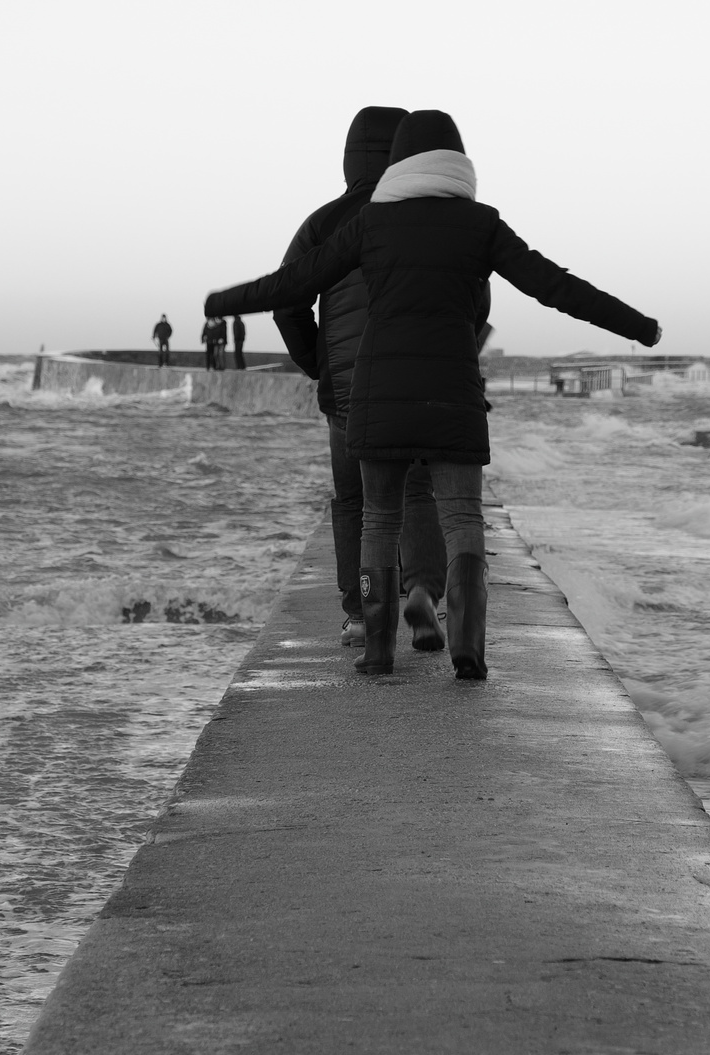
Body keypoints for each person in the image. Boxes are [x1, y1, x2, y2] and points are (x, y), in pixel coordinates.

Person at [208, 110, 659, 679]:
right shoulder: (480, 224)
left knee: (374, 515)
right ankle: (465, 640)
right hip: (451, 394)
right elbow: (554, 287)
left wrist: (224, 304)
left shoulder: (368, 224)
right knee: (461, 516)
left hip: (375, 391)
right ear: (458, 162)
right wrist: (638, 326)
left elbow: (292, 286)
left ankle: (376, 646)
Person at [271, 105, 449, 654]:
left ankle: (359, 613)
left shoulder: (324, 222)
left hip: (347, 391)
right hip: (417, 383)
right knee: (417, 490)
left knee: (354, 501)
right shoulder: (431, 216)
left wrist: (320, 365)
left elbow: (287, 303)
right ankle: (422, 592)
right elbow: (469, 301)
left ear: (349, 158)